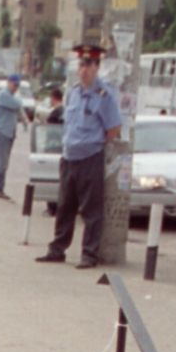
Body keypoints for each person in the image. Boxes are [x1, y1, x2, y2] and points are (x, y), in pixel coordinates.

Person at [36, 43, 121, 269]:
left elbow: (113, 129)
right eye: (81, 64)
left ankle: (89, 254)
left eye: (89, 65)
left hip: (90, 157)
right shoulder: (72, 92)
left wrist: (93, 143)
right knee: (64, 206)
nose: (83, 69)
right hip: (69, 157)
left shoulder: (104, 96)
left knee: (91, 210)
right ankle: (57, 249)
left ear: (97, 67)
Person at [0, 70, 28, 199]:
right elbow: (18, 105)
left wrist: (25, 119)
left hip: (9, 133)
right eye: (14, 85)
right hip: (2, 132)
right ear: (8, 83)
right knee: (2, 163)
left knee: (5, 163)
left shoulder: (11, 97)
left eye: (17, 86)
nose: (16, 88)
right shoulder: (3, 95)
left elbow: (20, 110)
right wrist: (23, 115)